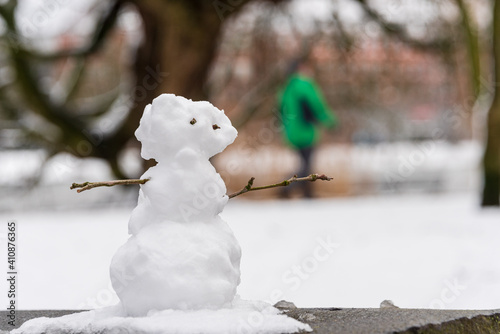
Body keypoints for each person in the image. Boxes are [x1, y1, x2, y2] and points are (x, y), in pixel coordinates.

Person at [277, 56, 337, 198]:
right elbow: (317, 106)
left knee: (305, 163)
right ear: (299, 69)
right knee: (306, 164)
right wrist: (330, 122)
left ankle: (307, 193)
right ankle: (287, 188)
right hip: (306, 131)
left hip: (292, 133)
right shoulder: (304, 85)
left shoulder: (286, 89)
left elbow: (280, 112)